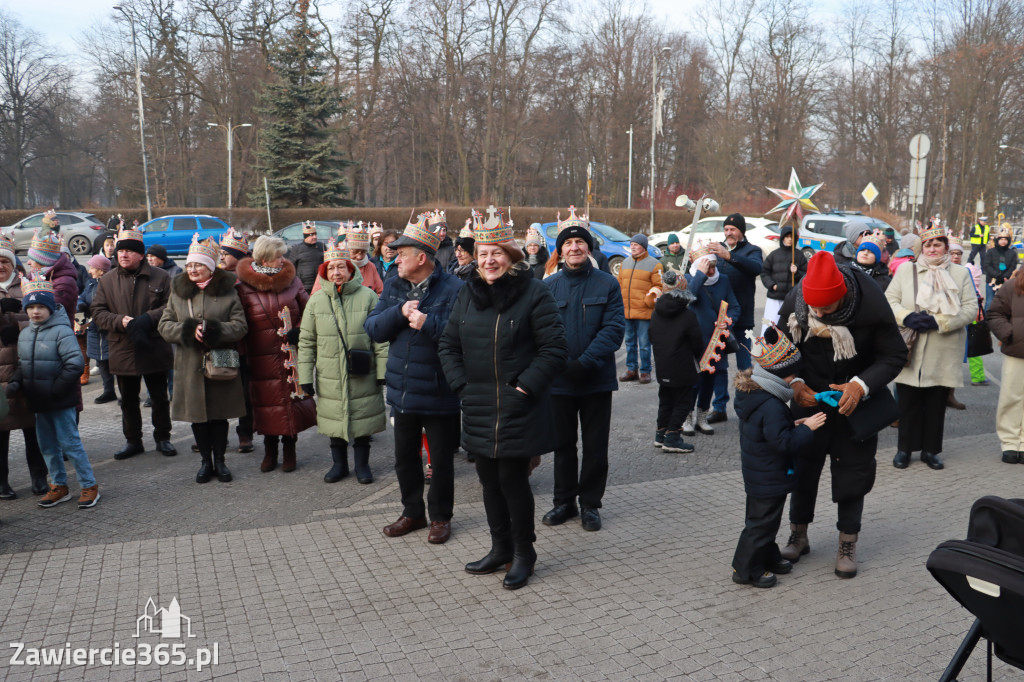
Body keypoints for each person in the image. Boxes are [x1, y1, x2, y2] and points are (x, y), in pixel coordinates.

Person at [438, 210, 567, 590]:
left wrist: (524, 388)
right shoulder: (467, 294)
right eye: (482, 254)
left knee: (512, 479)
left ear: (512, 256)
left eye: (496, 253)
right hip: (478, 404)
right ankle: (500, 547)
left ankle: (524, 552)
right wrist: (462, 386)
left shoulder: (534, 292)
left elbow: (554, 349)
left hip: (518, 405)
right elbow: (448, 344)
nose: (489, 261)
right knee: (488, 480)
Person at [777, 251, 906, 579]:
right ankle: (798, 534)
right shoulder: (797, 300)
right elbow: (778, 347)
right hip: (809, 402)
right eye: (813, 308)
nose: (818, 313)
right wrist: (794, 382)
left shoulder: (870, 302)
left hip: (856, 405)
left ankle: (848, 542)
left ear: (843, 297)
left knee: (854, 473)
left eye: (826, 309)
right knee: (803, 470)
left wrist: (861, 386)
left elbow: (894, 355)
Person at [365, 214, 463, 542]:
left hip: (439, 390)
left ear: (421, 258)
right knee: (405, 459)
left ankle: (440, 518)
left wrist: (427, 322)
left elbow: (461, 335)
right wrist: (400, 312)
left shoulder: (455, 288)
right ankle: (412, 513)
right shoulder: (393, 283)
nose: (395, 257)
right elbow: (373, 328)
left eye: (402, 253)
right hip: (403, 390)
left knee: (441, 462)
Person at [541, 215, 624, 532]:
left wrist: (584, 362)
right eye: (568, 243)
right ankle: (563, 502)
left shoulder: (607, 283)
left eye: (580, 242)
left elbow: (613, 330)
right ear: (560, 252)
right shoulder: (548, 287)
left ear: (589, 248)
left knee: (595, 447)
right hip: (559, 382)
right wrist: (562, 364)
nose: (574, 247)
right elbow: (543, 332)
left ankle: (590, 504)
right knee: (562, 446)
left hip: (596, 380)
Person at [731, 327, 825, 588]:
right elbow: (783, 443)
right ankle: (746, 569)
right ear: (780, 375)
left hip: (761, 472)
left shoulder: (757, 394)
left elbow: (769, 433)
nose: (794, 380)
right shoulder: (771, 404)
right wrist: (807, 429)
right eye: (792, 375)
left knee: (766, 521)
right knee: (760, 524)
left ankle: (768, 557)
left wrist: (794, 423)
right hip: (768, 475)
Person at [158, 237, 248, 483]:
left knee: (219, 416)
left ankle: (220, 462)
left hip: (220, 363)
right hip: (189, 364)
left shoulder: (228, 292)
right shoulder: (177, 292)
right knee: (197, 416)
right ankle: (205, 462)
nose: (193, 270)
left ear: (211, 267)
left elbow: (240, 326)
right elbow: (165, 326)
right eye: (189, 266)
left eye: (198, 265)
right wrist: (188, 330)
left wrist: (215, 331)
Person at [887, 226, 977, 471]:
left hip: (943, 347)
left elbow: (970, 309)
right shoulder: (907, 269)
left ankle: (931, 451)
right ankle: (904, 449)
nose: (933, 249)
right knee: (907, 403)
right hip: (910, 347)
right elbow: (889, 300)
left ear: (946, 248)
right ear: (921, 248)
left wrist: (940, 322)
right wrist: (906, 317)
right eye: (928, 245)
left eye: (938, 244)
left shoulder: (959, 273)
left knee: (936, 404)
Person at [299, 240, 387, 484]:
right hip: (330, 374)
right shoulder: (316, 301)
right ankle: (339, 465)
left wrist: (382, 370)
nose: (336, 273)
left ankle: (362, 466)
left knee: (362, 421)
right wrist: (304, 378)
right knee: (334, 420)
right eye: (330, 268)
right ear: (324, 272)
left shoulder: (368, 297)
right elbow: (306, 341)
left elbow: (380, 338)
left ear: (351, 270)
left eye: (341, 267)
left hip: (362, 371)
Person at [7, 280, 99, 509]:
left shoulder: (61, 331)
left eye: (40, 307)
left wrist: (55, 390)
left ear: (50, 308)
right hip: (38, 403)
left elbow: (75, 364)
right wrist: (16, 382)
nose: (35, 312)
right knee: (46, 445)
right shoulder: (26, 334)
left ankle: (89, 485)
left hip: (60, 401)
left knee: (70, 444)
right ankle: (59, 485)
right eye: (30, 308)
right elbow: (22, 364)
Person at [90, 226, 176, 459]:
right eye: (121, 251)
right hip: (122, 347)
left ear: (140, 254)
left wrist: (148, 319)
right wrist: (120, 321)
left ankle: (163, 438)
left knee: (159, 397)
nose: (123, 255)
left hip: (153, 345)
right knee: (127, 400)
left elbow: (171, 307)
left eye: (129, 251)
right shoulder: (107, 280)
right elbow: (97, 312)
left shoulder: (161, 276)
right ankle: (133, 441)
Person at [235, 236, 318, 473]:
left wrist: (299, 330)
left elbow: (309, 310)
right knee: (264, 405)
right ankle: (270, 449)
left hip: (289, 354)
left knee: (292, 402)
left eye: (283, 255)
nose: (283, 260)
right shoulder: (242, 288)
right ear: (264, 259)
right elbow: (239, 321)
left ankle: (290, 448)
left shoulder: (293, 281)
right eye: (278, 256)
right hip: (259, 356)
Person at [0, 236, 49, 499]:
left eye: (4, 260)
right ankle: (1, 482)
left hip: (28, 365)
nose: (0, 265)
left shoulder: (28, 284)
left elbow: (47, 317)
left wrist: (18, 327)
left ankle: (39, 477)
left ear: (12, 262)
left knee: (33, 428)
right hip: (0, 373)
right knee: (0, 431)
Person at [707, 213, 763, 423]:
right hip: (719, 320)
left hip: (742, 320)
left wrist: (728, 256)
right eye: (726, 229)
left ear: (741, 231)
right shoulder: (717, 249)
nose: (728, 233)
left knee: (744, 366)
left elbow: (756, 268)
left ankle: (746, 407)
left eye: (732, 229)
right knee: (719, 366)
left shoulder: (752, 250)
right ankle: (719, 407)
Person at [684, 245, 739, 437]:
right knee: (693, 382)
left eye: (714, 267)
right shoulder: (690, 279)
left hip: (716, 342)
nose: (712, 271)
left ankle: (702, 416)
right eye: (708, 268)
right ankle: (687, 417)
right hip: (693, 343)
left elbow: (734, 307)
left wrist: (728, 321)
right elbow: (687, 299)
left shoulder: (723, 280)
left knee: (709, 382)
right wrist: (700, 276)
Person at [649, 270, 702, 454]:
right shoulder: (687, 315)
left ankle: (660, 434)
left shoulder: (656, 313)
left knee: (665, 399)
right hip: (682, 366)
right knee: (682, 402)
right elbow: (697, 343)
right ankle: (672, 438)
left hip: (662, 364)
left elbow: (651, 337)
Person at [216, 229, 253, 451]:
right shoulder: (214, 277)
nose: (221, 256)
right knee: (220, 388)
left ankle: (245, 433)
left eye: (226, 253)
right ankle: (216, 433)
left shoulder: (249, 279)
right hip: (222, 343)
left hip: (244, 345)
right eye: (220, 252)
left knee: (245, 391)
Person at [986, 267, 1024, 463]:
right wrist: (1009, 334)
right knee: (1011, 396)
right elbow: (994, 313)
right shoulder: (1012, 285)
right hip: (1017, 350)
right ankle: (1010, 441)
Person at [617, 233, 662, 384]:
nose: (633, 247)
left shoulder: (655, 264)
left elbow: (659, 286)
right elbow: (620, 284)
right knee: (629, 343)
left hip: (644, 310)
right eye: (631, 244)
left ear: (644, 246)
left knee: (644, 344)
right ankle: (631, 370)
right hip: (627, 310)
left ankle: (645, 371)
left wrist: (650, 298)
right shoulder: (625, 263)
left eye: (636, 245)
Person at [78, 254, 117, 404]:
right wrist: (80, 306)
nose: (89, 270)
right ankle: (109, 391)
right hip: (94, 329)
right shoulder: (91, 283)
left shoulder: (110, 284)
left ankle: (124, 392)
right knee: (101, 361)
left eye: (93, 267)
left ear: (101, 270)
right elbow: (82, 297)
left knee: (115, 361)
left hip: (108, 328)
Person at [950, 238, 988, 389]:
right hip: (946, 319)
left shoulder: (965, 272)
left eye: (959, 253)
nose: (956, 256)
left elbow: (972, 294)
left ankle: (951, 391)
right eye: (952, 253)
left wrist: (977, 310)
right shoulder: (940, 271)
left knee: (968, 348)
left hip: (964, 318)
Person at [759, 225, 807, 330]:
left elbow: (807, 276)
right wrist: (773, 286)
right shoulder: (774, 255)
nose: (790, 239)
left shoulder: (799, 256)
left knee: (789, 328)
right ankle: (768, 345)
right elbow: (764, 272)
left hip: (792, 298)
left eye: (792, 237)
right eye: (787, 236)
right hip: (775, 298)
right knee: (771, 324)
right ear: (782, 238)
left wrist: (797, 272)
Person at [26, 231, 79, 323]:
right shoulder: (35, 276)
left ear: (44, 262)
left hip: (57, 335)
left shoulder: (64, 282)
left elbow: (47, 312)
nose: (28, 262)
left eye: (33, 259)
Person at [983, 224, 1018, 310]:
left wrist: (1004, 276)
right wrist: (996, 275)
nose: (1003, 241)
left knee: (1005, 303)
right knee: (989, 303)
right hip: (992, 280)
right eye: (1001, 239)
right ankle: (987, 321)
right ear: (997, 240)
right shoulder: (991, 252)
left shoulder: (1012, 253)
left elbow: (1012, 267)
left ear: (1008, 241)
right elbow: (987, 265)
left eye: (1005, 239)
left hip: (1005, 281)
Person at [342, 224, 383, 295]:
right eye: (355, 252)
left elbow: (381, 292)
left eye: (363, 252)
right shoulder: (336, 266)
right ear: (347, 250)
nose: (359, 257)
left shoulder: (371, 266)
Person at [286, 221, 326, 293]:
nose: (315, 237)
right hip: (304, 286)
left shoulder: (322, 246)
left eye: (315, 234)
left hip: (320, 285)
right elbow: (291, 267)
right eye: (311, 235)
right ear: (305, 237)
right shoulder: (297, 248)